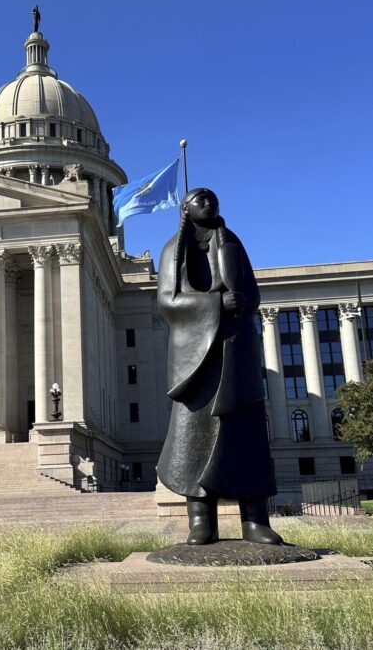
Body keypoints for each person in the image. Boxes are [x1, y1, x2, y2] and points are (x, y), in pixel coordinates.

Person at [156, 188, 282, 545]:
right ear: (185, 209)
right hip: (196, 360)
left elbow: (253, 293)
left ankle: (255, 519)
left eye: (212, 198)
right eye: (200, 199)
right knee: (192, 435)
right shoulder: (172, 250)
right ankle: (201, 520)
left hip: (235, 348)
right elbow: (167, 301)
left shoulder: (233, 244)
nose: (209, 203)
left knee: (246, 432)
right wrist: (216, 304)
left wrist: (240, 302)